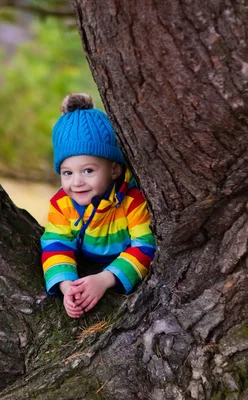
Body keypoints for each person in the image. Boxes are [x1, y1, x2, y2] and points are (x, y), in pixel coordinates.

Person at [41, 92, 156, 318]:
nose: (77, 182)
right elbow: (56, 244)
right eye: (67, 172)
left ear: (114, 169)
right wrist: (67, 287)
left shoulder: (132, 201)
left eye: (88, 170)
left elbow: (145, 246)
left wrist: (105, 279)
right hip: (85, 267)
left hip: (118, 270)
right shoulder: (62, 205)